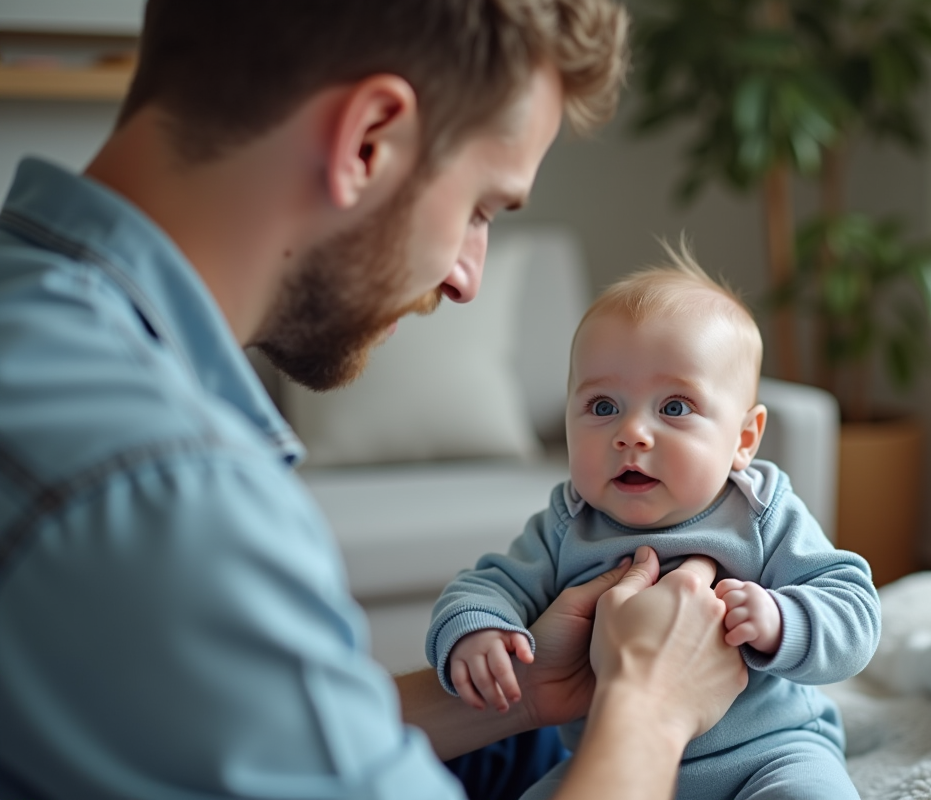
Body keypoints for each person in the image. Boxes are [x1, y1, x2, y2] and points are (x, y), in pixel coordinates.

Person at [0, 3, 750, 799]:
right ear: (367, 141)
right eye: (480, 209)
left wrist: (533, 694)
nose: (466, 279)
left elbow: (230, 724)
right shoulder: (169, 488)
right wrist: (652, 707)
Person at [427, 245, 883, 800]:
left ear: (743, 439)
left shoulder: (762, 510)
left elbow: (854, 608)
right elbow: (486, 586)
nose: (631, 434)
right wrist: (477, 629)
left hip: (771, 752)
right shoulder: (568, 523)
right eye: (602, 407)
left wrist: (781, 620)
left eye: (674, 408)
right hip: (610, 757)